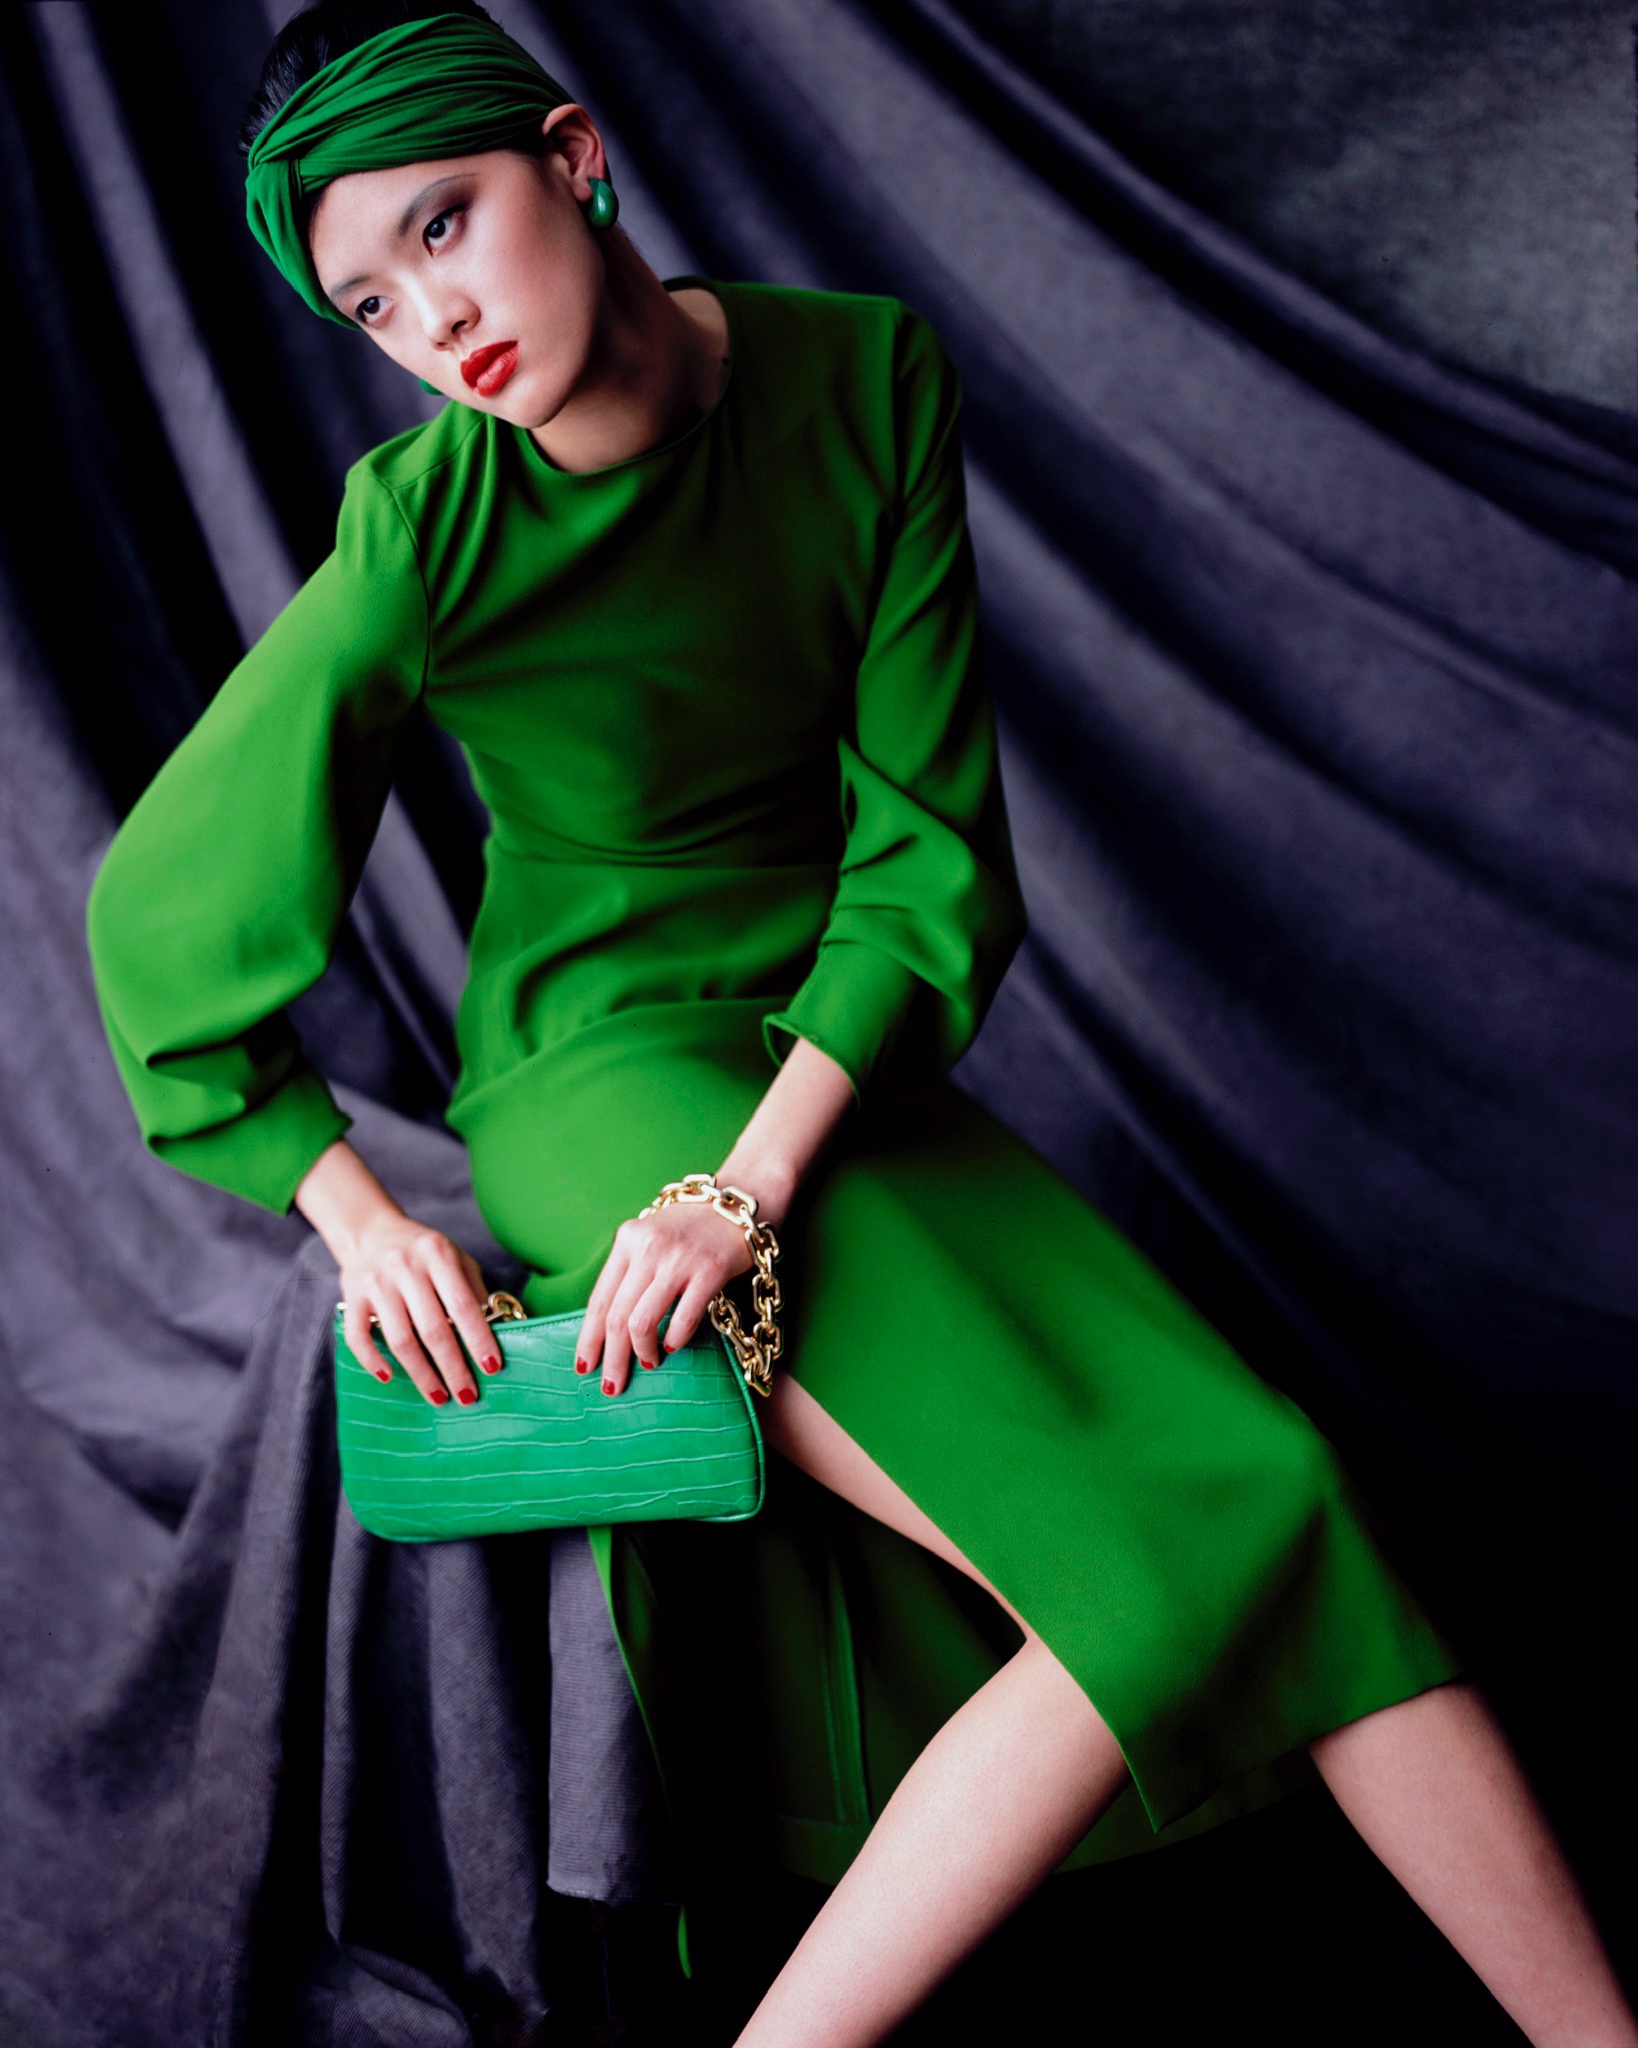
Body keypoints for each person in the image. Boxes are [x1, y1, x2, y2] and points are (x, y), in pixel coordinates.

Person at [83, 4, 1637, 2042]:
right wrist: (359, 1217)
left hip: (823, 1053)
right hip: (598, 1066)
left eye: (443, 225)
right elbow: (165, 916)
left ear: (574, 156)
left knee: (1279, 1495)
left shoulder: (864, 373)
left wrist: (752, 1182)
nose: (432, 323)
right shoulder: (423, 523)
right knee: (1176, 1553)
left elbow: (923, 855)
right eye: (370, 300)